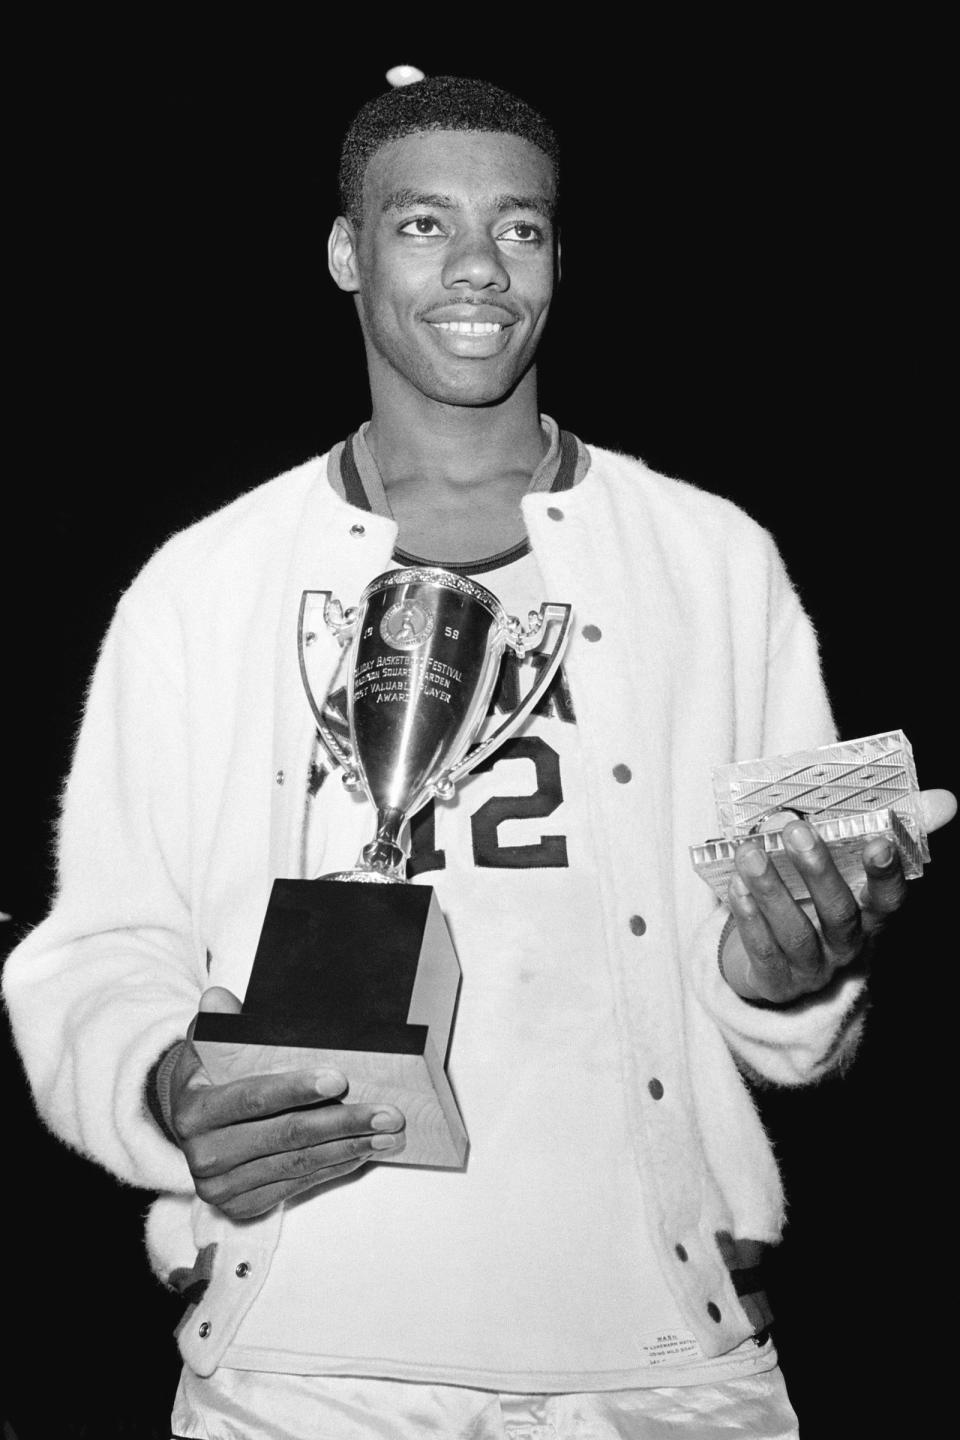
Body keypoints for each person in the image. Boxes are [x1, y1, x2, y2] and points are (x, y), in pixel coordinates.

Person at [3, 73, 954, 1439]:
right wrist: (169, 1083)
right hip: (304, 1356)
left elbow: (765, 994)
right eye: (420, 225)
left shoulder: (709, 558)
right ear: (346, 252)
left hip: (663, 1355)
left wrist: (796, 966)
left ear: (560, 259)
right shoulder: (203, 584)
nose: (476, 269)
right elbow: (100, 948)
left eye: (519, 230)